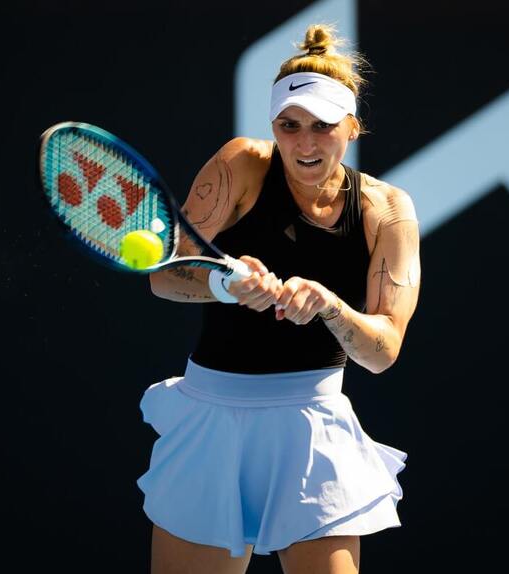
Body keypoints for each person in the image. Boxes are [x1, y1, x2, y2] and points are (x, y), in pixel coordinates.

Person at [140, 24, 421, 574]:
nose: (306, 143)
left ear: (353, 128)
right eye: (289, 126)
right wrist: (226, 284)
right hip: (211, 417)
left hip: (313, 427)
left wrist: (328, 306)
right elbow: (164, 276)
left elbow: (382, 351)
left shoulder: (386, 210)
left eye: (323, 126)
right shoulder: (242, 163)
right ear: (273, 126)